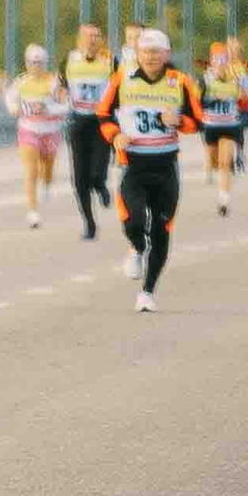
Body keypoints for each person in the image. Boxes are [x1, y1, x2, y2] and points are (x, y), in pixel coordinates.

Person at [95, 27, 202, 312]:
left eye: (156, 52)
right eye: (146, 52)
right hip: (134, 163)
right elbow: (103, 115)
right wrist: (115, 135)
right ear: (137, 54)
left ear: (166, 54)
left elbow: (198, 121)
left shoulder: (180, 82)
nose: (151, 57)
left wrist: (178, 121)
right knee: (134, 221)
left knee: (162, 230)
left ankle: (147, 291)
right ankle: (136, 247)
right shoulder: (122, 79)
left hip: (166, 165)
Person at [61, 22, 118, 239]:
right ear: (80, 39)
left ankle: (101, 184)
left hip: (102, 122)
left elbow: (121, 87)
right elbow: (61, 86)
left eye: (97, 36)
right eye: (89, 36)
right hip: (78, 122)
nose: (93, 40)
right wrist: (60, 96)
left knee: (97, 170)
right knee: (79, 179)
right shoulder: (69, 60)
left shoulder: (111, 61)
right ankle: (89, 223)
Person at [6, 45, 68, 228]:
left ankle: (47, 185)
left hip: (50, 130)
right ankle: (33, 211)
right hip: (28, 129)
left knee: (47, 169)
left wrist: (48, 108)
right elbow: (10, 99)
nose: (36, 66)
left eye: (40, 63)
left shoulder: (54, 82)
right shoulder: (21, 82)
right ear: (26, 63)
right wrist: (14, 109)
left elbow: (66, 106)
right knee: (31, 170)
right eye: (33, 63)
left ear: (45, 63)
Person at [197, 40, 248, 217]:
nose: (220, 63)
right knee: (213, 163)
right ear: (211, 61)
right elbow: (198, 102)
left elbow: (245, 99)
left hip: (230, 125)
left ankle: (224, 199)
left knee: (225, 163)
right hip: (211, 125)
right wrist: (213, 98)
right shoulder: (205, 78)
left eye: (223, 59)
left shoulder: (237, 77)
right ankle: (209, 169)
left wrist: (242, 95)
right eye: (216, 59)